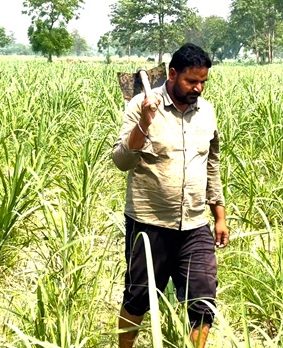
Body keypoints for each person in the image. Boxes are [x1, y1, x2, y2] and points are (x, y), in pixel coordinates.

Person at [112, 43, 229, 348]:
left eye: (203, 81)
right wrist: (144, 122)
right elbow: (122, 161)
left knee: (203, 300)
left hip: (194, 223)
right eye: (192, 81)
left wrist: (219, 216)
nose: (198, 88)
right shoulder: (141, 104)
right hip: (149, 223)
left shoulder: (207, 112)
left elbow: (211, 165)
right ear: (173, 74)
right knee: (138, 297)